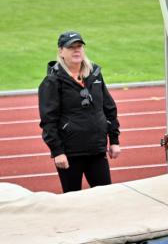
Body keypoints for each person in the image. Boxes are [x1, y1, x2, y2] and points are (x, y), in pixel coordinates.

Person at [38, 31, 121, 193]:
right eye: (71, 48)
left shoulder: (95, 74)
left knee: (106, 197)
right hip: (70, 154)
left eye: (79, 47)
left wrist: (114, 140)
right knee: (72, 201)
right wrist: (57, 152)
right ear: (61, 52)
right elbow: (48, 120)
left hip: (97, 149)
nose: (77, 51)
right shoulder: (52, 82)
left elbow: (109, 108)